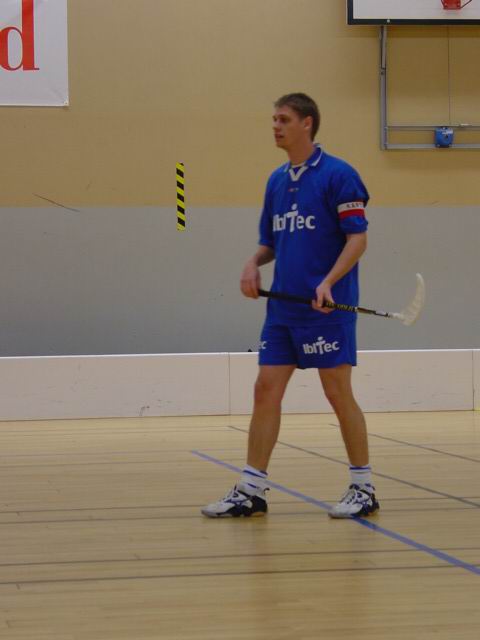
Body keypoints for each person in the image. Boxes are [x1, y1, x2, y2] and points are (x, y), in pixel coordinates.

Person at [202, 93, 379, 519]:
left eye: (283, 119)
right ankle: (251, 489)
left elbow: (358, 238)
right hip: (283, 310)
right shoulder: (276, 181)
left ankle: (363, 487)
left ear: (307, 123)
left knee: (337, 392)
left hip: (326, 309)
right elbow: (272, 243)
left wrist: (329, 282)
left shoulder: (339, 175)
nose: (276, 126)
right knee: (265, 389)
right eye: (274, 119)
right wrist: (252, 263)